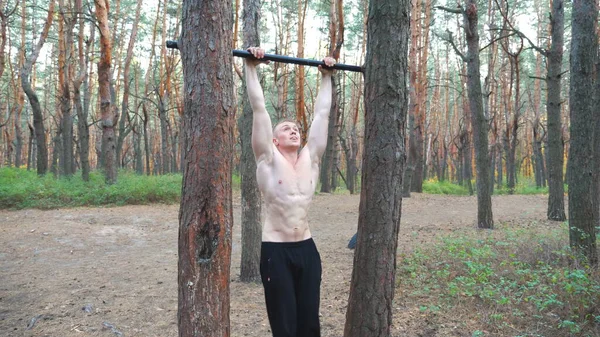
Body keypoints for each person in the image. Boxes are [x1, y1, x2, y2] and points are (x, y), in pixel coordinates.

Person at [244, 47, 335, 337]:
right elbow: (259, 108)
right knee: (285, 325)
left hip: (307, 249)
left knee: (309, 323)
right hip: (276, 251)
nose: (294, 131)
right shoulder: (267, 159)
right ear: (274, 139)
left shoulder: (312, 158)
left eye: (296, 128)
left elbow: (322, 113)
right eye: (286, 129)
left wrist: (326, 76)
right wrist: (251, 67)